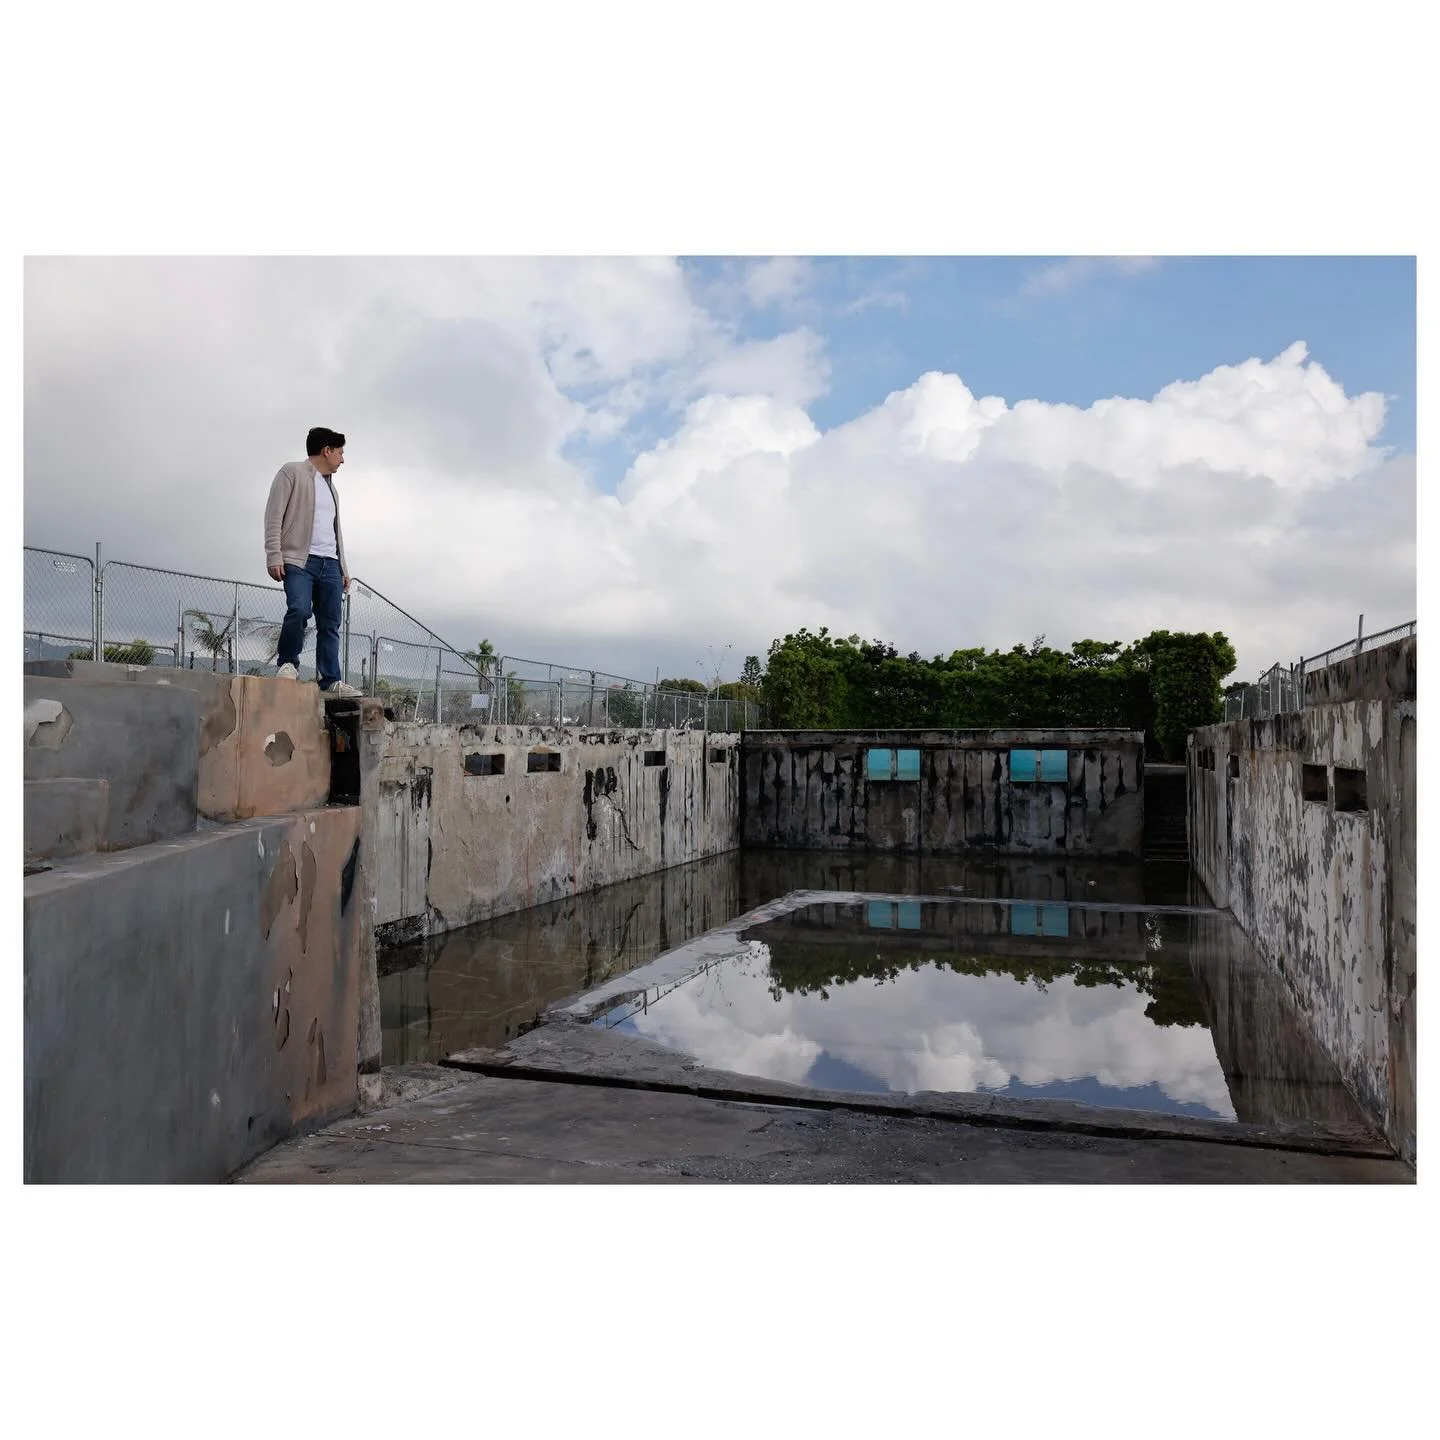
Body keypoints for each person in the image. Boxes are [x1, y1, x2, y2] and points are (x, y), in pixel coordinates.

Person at [264, 427, 360, 695]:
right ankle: (287, 664)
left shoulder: (333, 490)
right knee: (299, 609)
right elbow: (273, 516)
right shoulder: (291, 472)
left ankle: (330, 680)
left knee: (330, 623)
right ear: (326, 451)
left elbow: (335, 531)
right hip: (298, 560)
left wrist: (343, 567)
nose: (342, 459)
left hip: (330, 564)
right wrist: (274, 554)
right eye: (340, 452)